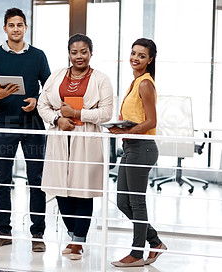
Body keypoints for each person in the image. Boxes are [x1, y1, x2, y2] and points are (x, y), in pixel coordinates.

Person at [0, 7, 50, 252]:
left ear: (26, 28)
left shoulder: (38, 56)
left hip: (34, 125)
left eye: (20, 25)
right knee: (2, 179)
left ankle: (38, 233)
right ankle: (3, 230)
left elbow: (49, 89)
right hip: (5, 124)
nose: (16, 29)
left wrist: (37, 100)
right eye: (12, 25)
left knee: (37, 180)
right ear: (5, 28)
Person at [37, 34, 113, 260]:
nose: (79, 56)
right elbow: (43, 104)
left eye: (83, 52)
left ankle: (78, 241)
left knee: (82, 191)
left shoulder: (101, 79)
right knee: (60, 189)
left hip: (86, 139)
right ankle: (72, 234)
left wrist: (77, 113)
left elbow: (106, 113)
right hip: (60, 137)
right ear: (69, 53)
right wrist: (57, 119)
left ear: (91, 53)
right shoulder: (57, 76)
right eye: (74, 52)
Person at [108, 38, 167, 267]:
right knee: (124, 202)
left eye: (142, 55)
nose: (135, 58)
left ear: (150, 60)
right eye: (133, 53)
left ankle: (136, 253)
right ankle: (155, 242)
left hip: (142, 148)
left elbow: (151, 121)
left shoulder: (145, 83)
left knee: (137, 202)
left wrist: (128, 129)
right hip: (131, 147)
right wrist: (120, 127)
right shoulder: (135, 82)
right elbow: (138, 117)